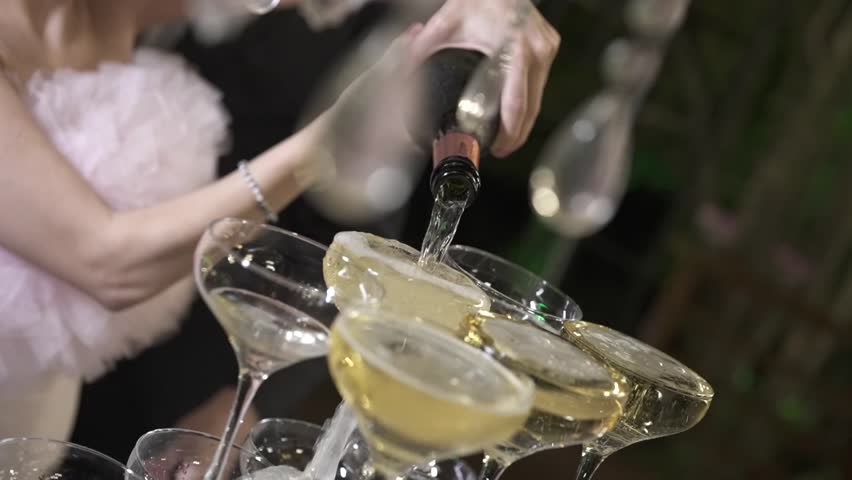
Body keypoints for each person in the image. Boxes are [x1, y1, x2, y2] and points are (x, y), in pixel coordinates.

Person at [0, 0, 560, 443]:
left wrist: (492, 7)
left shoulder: (96, 9)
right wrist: (330, 138)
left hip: (43, 426)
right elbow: (106, 262)